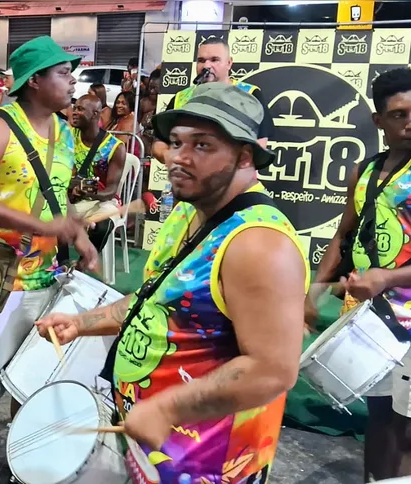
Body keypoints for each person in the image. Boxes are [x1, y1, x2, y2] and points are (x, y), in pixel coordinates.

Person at [36, 82, 307, 482]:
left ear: (245, 156)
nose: (178, 158)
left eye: (202, 146)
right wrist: (82, 323)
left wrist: (167, 408)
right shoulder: (187, 213)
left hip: (209, 462)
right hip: (156, 447)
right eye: (177, 143)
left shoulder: (259, 244)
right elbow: (158, 301)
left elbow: (272, 371)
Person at [0, 36, 97, 483]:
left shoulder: (65, 133)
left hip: (44, 279)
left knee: (33, 378)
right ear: (34, 83)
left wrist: (79, 234)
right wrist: (41, 228)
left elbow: (53, 198)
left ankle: (21, 467)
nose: (72, 81)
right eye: (63, 73)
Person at [308, 68, 411, 481]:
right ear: (379, 122)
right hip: (373, 320)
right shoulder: (365, 172)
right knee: (380, 422)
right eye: (399, 115)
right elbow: (344, 236)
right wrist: (311, 294)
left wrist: (385, 278)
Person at [151, 37, 274, 162]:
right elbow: (159, 143)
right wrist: (173, 157)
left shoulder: (250, 95)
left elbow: (260, 143)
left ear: (229, 63)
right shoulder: (180, 98)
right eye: (201, 60)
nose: (206, 66)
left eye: (215, 60)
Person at [69, 94, 132, 252]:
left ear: (95, 114)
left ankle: (83, 265)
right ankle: (61, 260)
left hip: (102, 202)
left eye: (80, 109)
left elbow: (110, 191)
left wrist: (84, 187)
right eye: (74, 108)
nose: (74, 112)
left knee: (103, 224)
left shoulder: (115, 147)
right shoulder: (67, 137)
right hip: (70, 198)